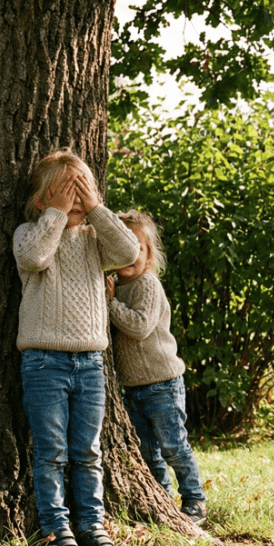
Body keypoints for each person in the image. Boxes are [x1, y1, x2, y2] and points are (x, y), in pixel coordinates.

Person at [14, 150, 140, 546]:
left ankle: (93, 526)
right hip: (44, 362)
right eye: (65, 192)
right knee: (51, 451)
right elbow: (34, 258)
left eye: (79, 190)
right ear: (41, 201)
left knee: (88, 451)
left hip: (90, 362)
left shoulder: (93, 241)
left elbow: (128, 252)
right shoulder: (30, 234)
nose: (74, 200)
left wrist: (96, 208)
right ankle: (57, 529)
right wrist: (55, 214)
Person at [106, 210, 207, 527]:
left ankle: (194, 499)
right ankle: (161, 500)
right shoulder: (114, 286)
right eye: (123, 246)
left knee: (174, 446)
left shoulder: (147, 284)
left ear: (150, 255)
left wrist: (109, 303)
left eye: (138, 247)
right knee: (148, 452)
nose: (130, 255)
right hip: (133, 388)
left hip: (162, 383)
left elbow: (138, 327)